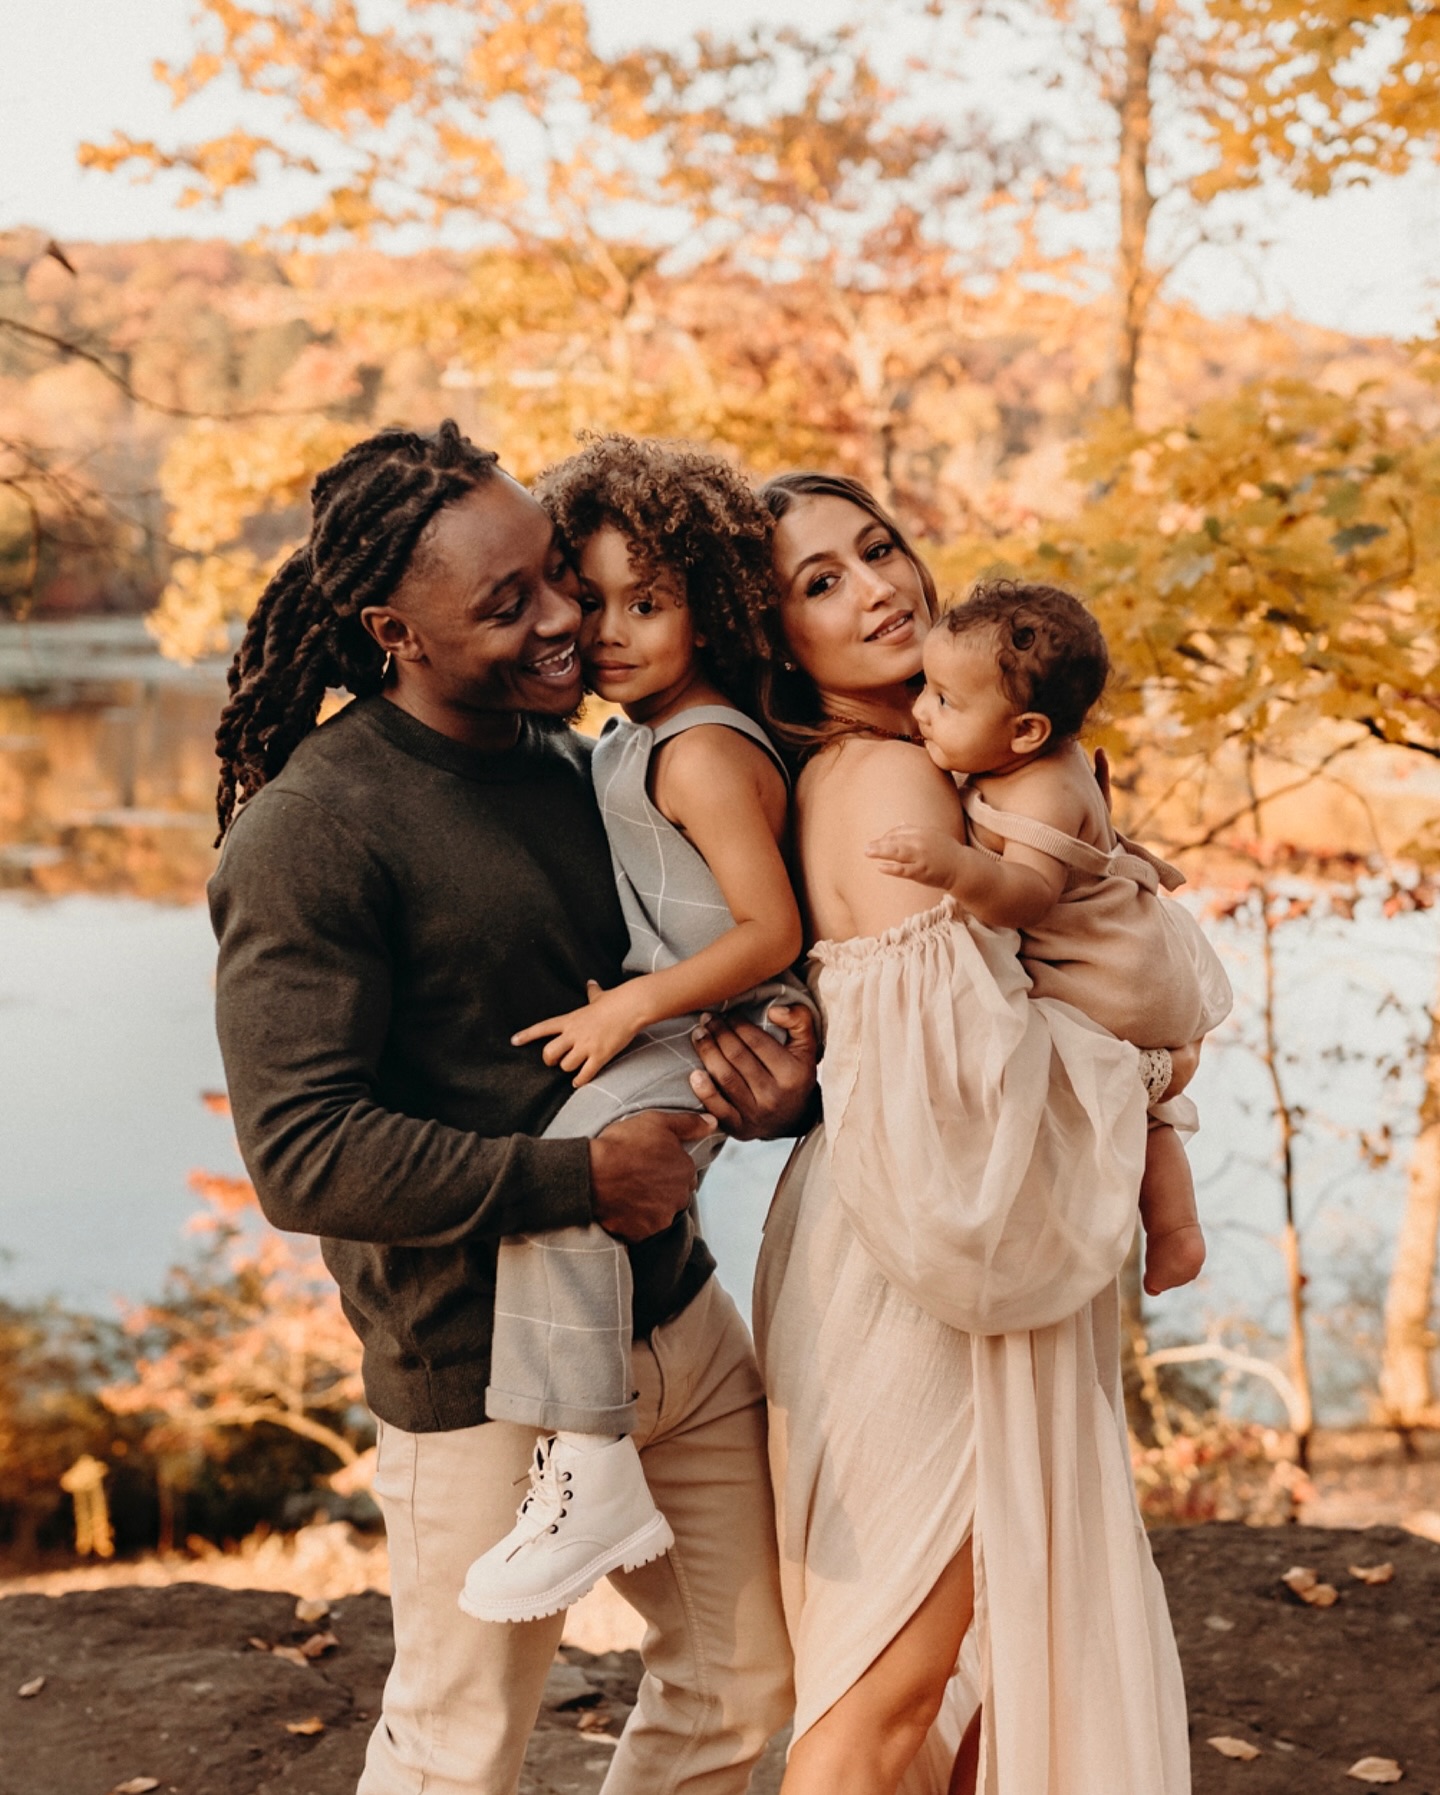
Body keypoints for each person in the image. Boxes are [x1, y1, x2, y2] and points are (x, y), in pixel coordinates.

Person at [206, 420, 811, 1795]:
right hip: (477, 1371)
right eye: (511, 602)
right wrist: (585, 1183)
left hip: (677, 1320)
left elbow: (686, 985)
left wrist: (770, 1089)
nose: (566, 621)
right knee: (460, 1741)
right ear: (393, 629)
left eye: (563, 575)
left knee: (740, 1680)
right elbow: (303, 1154)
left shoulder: (579, 763)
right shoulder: (314, 829)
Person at [749, 471, 1199, 1795]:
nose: (878, 585)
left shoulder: (979, 770)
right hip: (927, 1254)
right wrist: (1155, 1055)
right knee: (889, 1686)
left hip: (933, 1230)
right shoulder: (886, 777)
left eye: (878, 548)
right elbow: (972, 1094)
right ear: (778, 640)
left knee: (965, 1670)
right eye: (819, 582)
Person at [462, 434, 811, 1625]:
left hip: (725, 1018)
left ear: (707, 611)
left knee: (565, 1190)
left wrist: (629, 1006)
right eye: (589, 596)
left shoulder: (702, 747)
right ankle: (589, 1464)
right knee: (568, 1190)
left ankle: (595, 1472)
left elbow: (769, 929)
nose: (609, 629)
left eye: (647, 602)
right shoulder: (632, 733)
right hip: (689, 1005)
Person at [866, 579, 1231, 1297]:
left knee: (1107, 1090)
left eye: (944, 700)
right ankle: (1176, 1231)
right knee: (1151, 1118)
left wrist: (952, 864)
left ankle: (1149, 1228)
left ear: (1026, 730)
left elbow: (1026, 896)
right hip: (1133, 957)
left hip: (1107, 970)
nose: (920, 709)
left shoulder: (1041, 788)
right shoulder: (1026, 756)